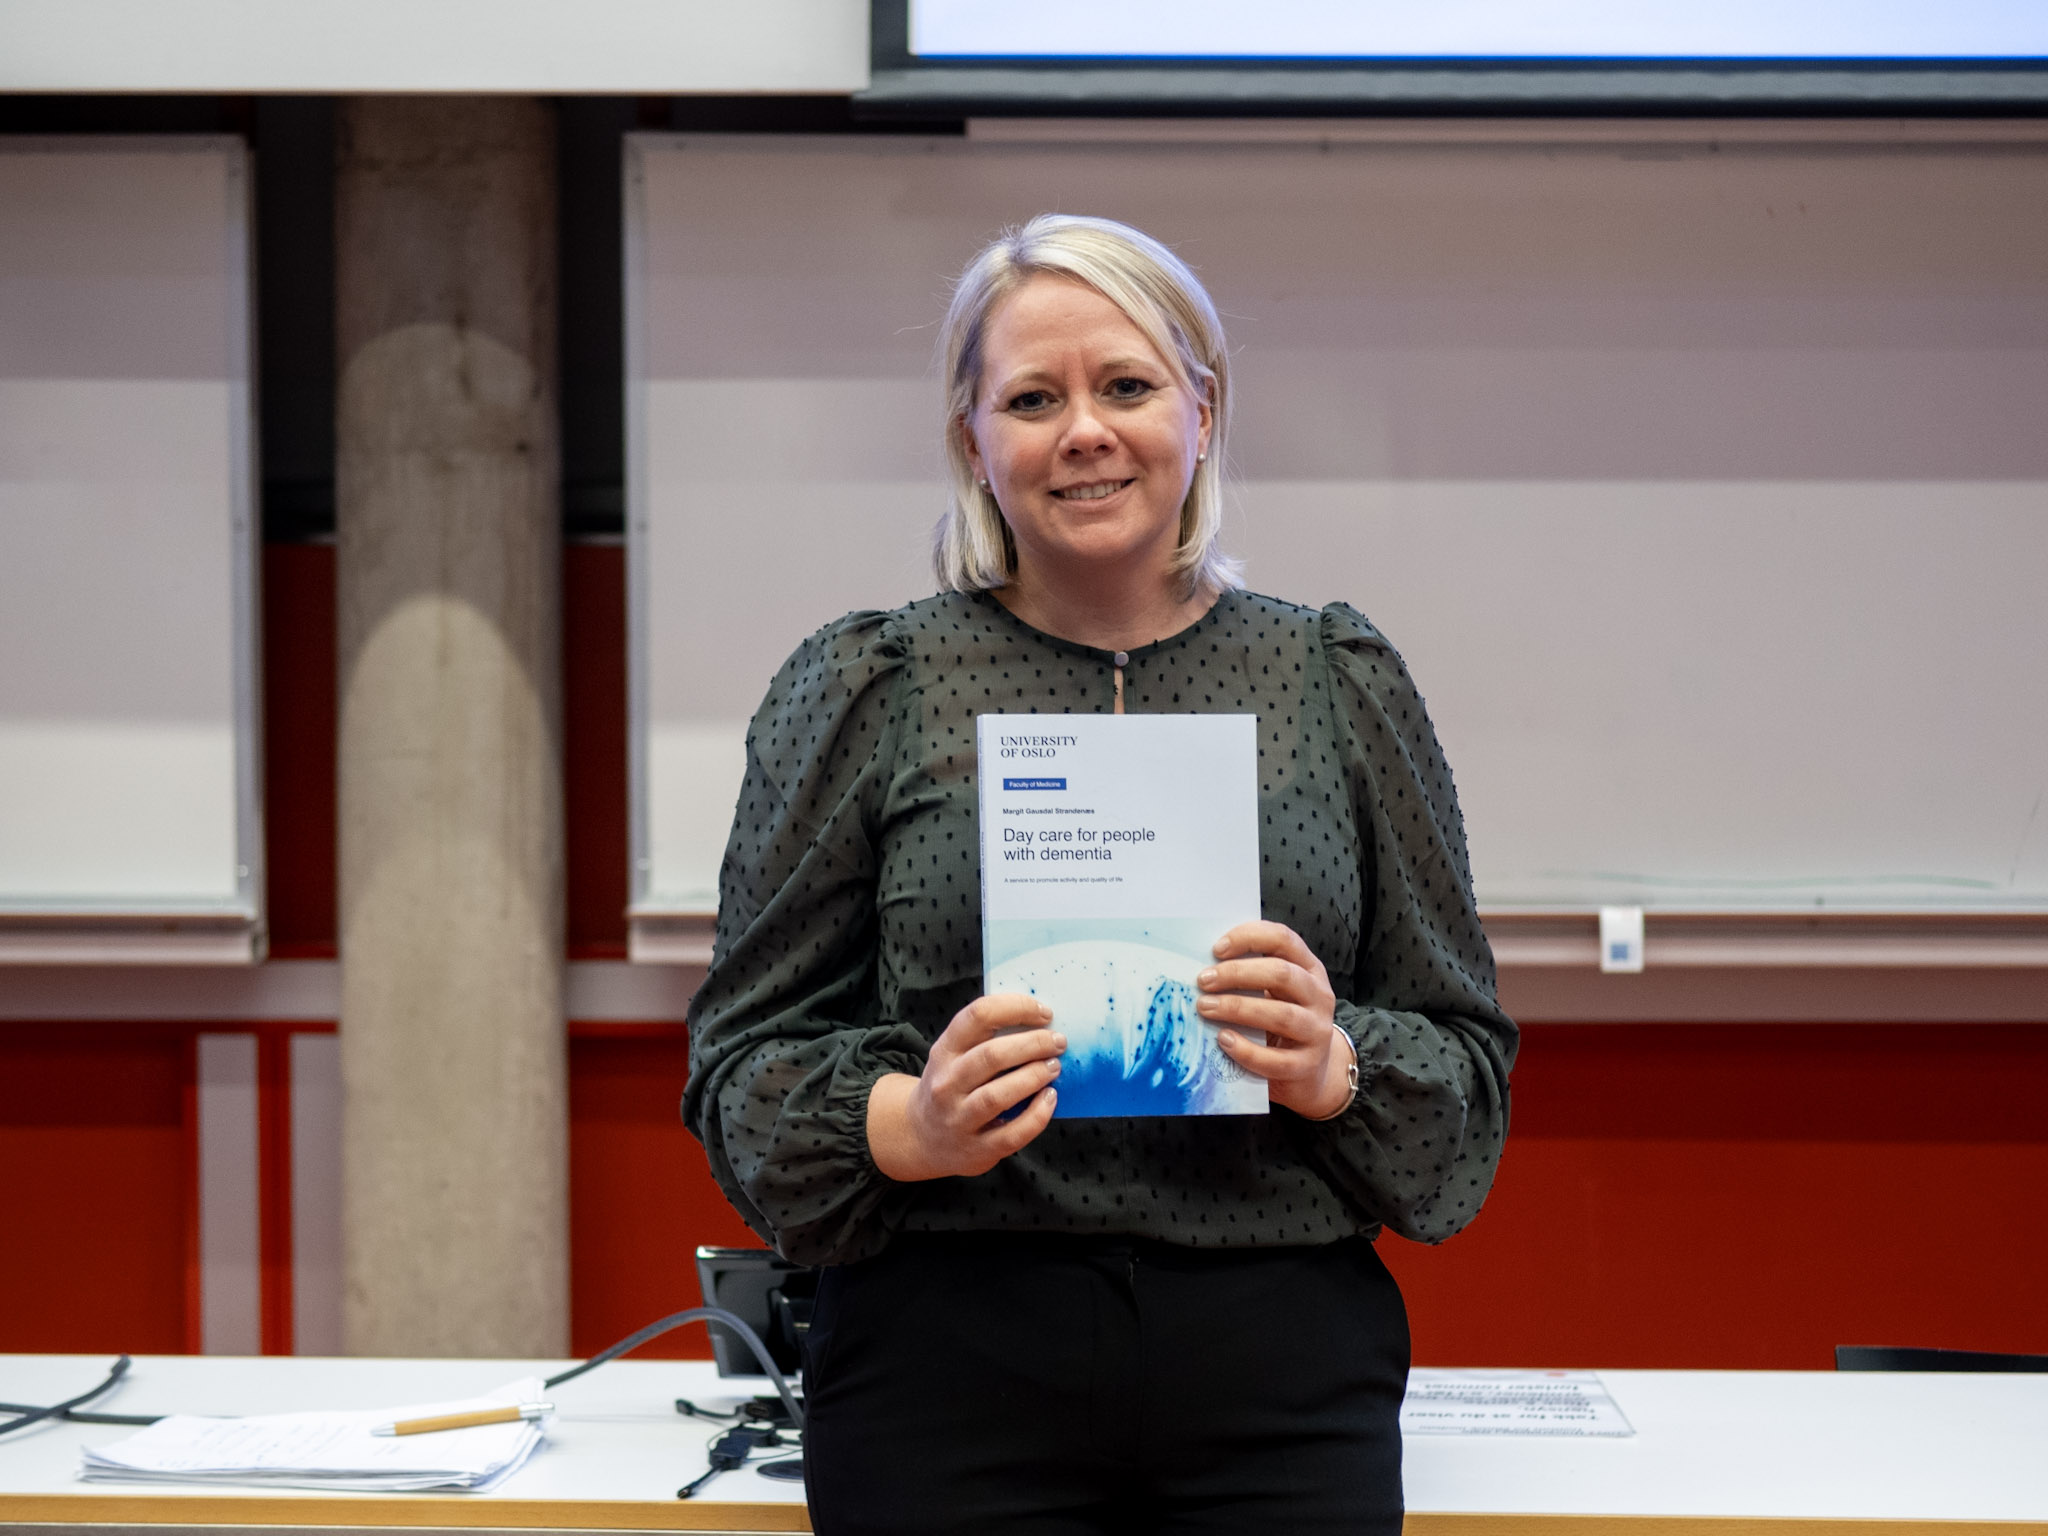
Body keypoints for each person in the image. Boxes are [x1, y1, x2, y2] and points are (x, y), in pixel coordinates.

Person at [683, 213, 1517, 1535]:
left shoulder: (1336, 683)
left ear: (1201, 409)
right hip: (943, 1365)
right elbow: (738, 1071)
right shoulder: (868, 689)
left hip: (1278, 1368)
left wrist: (1331, 1063)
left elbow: (1468, 1085)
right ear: (973, 440)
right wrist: (912, 1124)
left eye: (1126, 385)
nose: (1085, 430)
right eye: (1032, 398)